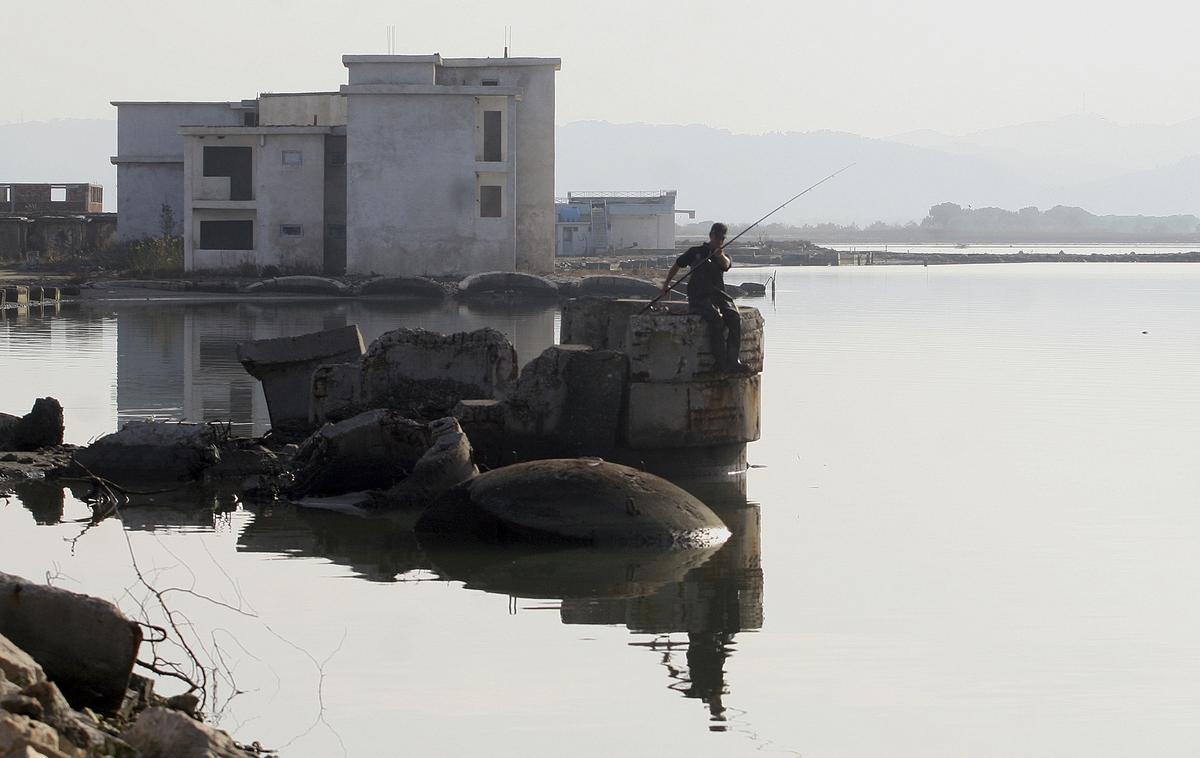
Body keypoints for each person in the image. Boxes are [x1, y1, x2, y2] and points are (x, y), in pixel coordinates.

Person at [662, 222, 750, 374]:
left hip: (718, 295)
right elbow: (677, 265)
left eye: (722, 238)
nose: (719, 241)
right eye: (717, 237)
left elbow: (727, 265)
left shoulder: (723, 255)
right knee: (716, 319)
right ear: (711, 235)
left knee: (734, 317)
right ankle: (721, 363)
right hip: (698, 296)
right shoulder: (695, 251)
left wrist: (720, 255)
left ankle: (733, 360)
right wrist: (666, 285)